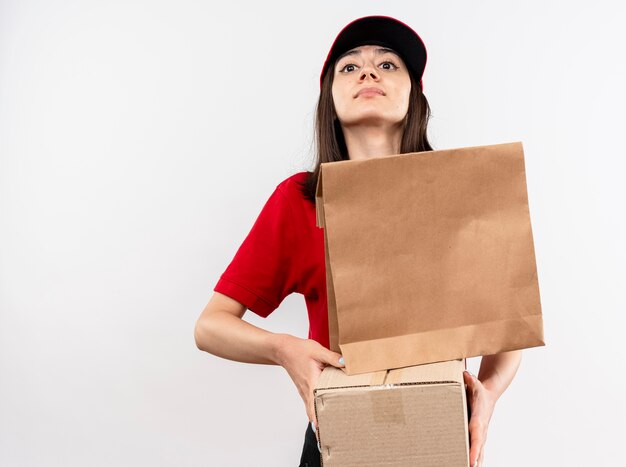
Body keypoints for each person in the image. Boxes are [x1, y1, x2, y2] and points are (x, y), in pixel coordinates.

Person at [194, 15, 522, 467]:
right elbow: (210, 326)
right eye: (350, 67)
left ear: (415, 97)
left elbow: (509, 323)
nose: (368, 72)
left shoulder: (457, 194)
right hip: (339, 435)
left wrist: (488, 394)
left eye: (388, 65)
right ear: (329, 99)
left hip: (440, 431)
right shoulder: (299, 200)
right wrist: (284, 349)